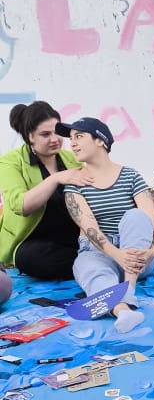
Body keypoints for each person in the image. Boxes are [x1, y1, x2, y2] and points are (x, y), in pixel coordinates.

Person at [59, 117, 154, 334]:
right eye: (71, 139)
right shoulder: (75, 183)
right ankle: (124, 311)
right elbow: (89, 227)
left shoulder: (130, 176)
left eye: (79, 136)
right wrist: (116, 255)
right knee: (93, 271)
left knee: (135, 215)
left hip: (136, 253)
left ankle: (129, 288)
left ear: (100, 141)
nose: (72, 143)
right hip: (97, 252)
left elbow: (151, 221)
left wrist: (152, 251)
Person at [0, 101, 82, 280]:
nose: (55, 139)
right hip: (34, 241)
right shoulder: (10, 161)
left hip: (71, 237)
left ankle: (91, 263)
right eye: (45, 134)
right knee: (30, 259)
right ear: (30, 136)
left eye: (58, 132)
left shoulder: (70, 159)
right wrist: (55, 178)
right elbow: (21, 205)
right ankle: (91, 265)